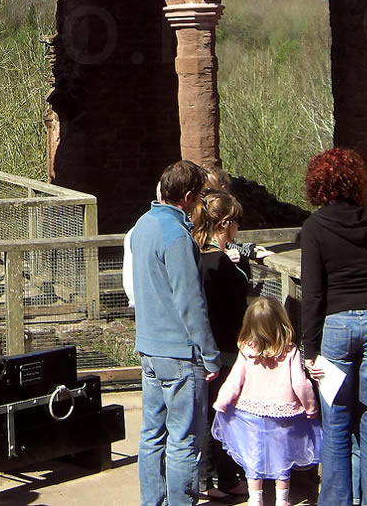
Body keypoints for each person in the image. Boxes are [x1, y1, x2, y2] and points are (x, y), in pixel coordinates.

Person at [298, 148, 367, 506]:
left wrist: (310, 349)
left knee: (336, 420)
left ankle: (337, 501)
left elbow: (313, 294)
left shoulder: (315, 228)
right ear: (356, 181)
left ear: (318, 185)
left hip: (335, 327)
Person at [129, 160, 220, 506]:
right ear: (187, 196)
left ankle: (152, 501)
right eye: (198, 197)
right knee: (183, 439)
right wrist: (210, 354)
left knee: (152, 434)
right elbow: (190, 302)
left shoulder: (142, 225)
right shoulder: (177, 237)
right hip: (180, 354)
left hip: (149, 348)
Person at [212, 296, 322, 506]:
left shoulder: (247, 349)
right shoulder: (289, 350)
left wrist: (222, 402)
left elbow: (234, 380)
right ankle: (282, 500)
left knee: (254, 457)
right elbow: (300, 384)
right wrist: (311, 407)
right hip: (283, 415)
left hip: (249, 414)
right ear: (282, 321)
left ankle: (256, 500)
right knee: (282, 457)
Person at [193, 190, 255, 498]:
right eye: (237, 222)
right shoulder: (219, 263)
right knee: (222, 413)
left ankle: (208, 478)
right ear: (226, 223)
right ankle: (224, 479)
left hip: (207, 344)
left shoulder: (197, 256)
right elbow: (235, 308)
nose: (238, 229)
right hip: (225, 347)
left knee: (208, 413)